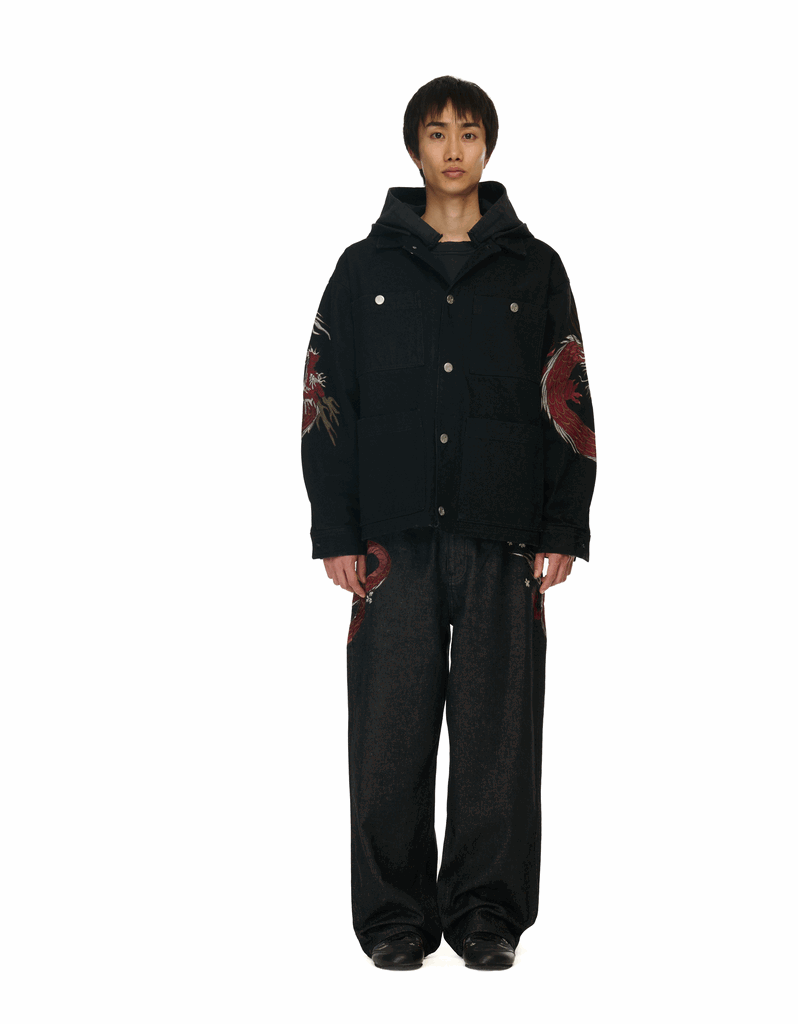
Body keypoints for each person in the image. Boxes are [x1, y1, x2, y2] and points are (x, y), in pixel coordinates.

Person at [300, 75, 596, 970]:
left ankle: (486, 914)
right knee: (387, 733)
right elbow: (326, 397)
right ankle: (394, 917)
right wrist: (336, 529)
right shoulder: (363, 270)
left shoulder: (535, 269)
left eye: (469, 132)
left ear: (489, 145)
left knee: (499, 734)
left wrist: (563, 524)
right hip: (390, 542)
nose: (454, 148)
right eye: (437, 133)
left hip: (506, 532)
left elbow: (568, 391)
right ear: (414, 147)